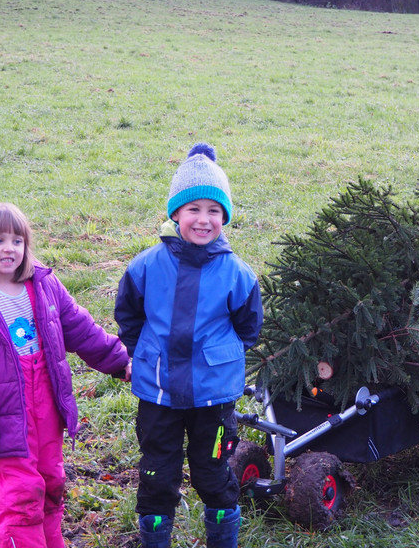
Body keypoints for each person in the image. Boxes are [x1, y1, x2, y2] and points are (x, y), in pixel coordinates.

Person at [0, 202, 129, 546]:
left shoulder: (43, 285)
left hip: (48, 405)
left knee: (51, 482)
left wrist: (119, 361)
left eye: (17, 240)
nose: (8, 249)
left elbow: (81, 329)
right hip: (5, 415)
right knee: (22, 493)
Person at [114, 143, 263, 548]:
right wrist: (144, 352)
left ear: (224, 217)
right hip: (158, 393)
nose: (203, 219)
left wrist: (217, 359)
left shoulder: (237, 274)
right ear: (175, 213)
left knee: (213, 473)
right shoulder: (146, 266)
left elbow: (248, 328)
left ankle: (223, 536)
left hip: (213, 398)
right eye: (193, 208)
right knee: (157, 474)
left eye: (214, 210)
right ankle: (155, 537)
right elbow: (129, 315)